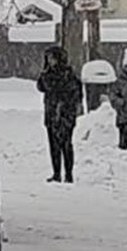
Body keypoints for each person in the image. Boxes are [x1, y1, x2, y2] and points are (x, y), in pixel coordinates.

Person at [36, 45, 82, 183]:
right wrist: (44, 73)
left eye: (52, 58)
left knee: (66, 144)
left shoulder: (68, 75)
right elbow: (40, 87)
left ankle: (68, 174)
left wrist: (67, 107)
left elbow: (74, 93)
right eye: (48, 58)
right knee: (53, 145)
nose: (50, 61)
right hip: (51, 114)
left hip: (65, 114)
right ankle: (56, 173)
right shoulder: (47, 74)